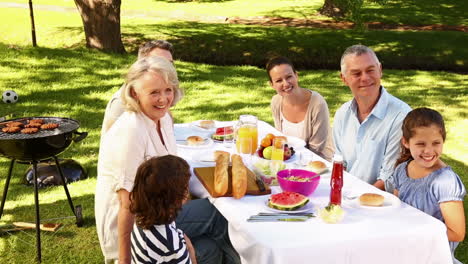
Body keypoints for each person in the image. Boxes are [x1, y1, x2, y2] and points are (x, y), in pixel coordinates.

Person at [95, 56, 240, 264]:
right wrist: (125, 260)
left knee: (212, 241)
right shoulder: (131, 131)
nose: (163, 99)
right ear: (135, 93)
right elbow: (125, 205)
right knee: (217, 218)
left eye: (167, 90)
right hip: (135, 226)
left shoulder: (163, 117)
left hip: (160, 213)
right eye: (154, 92)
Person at [388, 108, 466, 264]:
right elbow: (397, 210)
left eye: (436, 143)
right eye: (421, 144)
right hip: (404, 249)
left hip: (432, 256)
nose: (429, 151)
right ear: (406, 142)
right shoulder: (402, 170)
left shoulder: (445, 181)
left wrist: (414, 230)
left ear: (443, 140)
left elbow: (457, 233)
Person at [333, 44, 411, 190]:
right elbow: (339, 163)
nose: (365, 78)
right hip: (346, 195)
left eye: (370, 70)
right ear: (344, 79)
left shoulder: (401, 116)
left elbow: (389, 178)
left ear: (380, 70)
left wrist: (357, 202)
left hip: (379, 203)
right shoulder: (342, 114)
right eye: (356, 73)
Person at [130, 155, 197, 264]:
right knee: (210, 248)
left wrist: (183, 239)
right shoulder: (171, 245)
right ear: (175, 198)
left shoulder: (142, 215)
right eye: (185, 186)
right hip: (171, 254)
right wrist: (191, 252)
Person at [267, 56, 334, 161]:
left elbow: (316, 149)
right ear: (272, 85)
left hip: (318, 163)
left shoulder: (317, 104)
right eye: (279, 80)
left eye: (289, 77)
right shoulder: (276, 102)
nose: (285, 83)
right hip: (289, 159)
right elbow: (281, 140)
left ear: (296, 76)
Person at [101, 40, 174, 134]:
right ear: (143, 65)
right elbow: (112, 144)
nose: (167, 68)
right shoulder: (121, 102)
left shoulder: (164, 93)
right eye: (159, 62)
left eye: (170, 63)